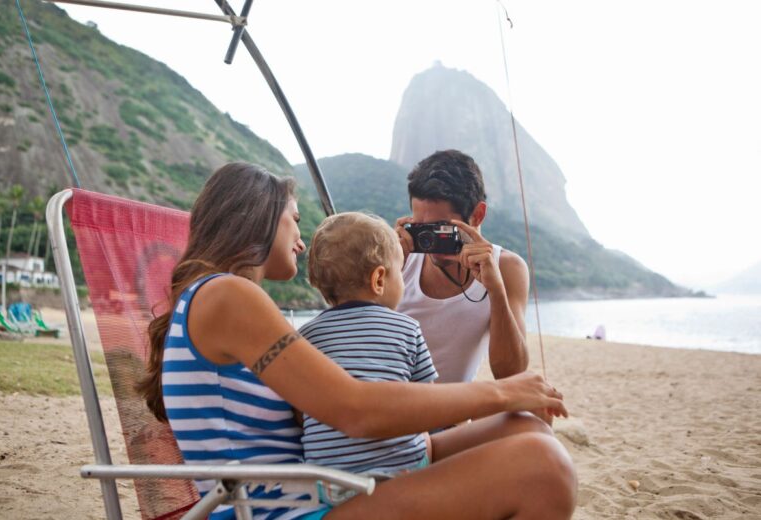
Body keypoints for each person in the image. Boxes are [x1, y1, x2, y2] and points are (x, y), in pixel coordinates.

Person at [138, 162, 577, 519]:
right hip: (286, 513)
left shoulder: (219, 299)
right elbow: (355, 409)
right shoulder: (228, 296)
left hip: (307, 492)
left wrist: (505, 405)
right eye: (294, 220)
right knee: (544, 467)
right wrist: (502, 391)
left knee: (527, 427)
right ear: (260, 220)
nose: (301, 241)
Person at [299, 212, 437, 504]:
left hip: (329, 484)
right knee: (425, 436)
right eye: (400, 272)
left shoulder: (305, 337)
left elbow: (301, 413)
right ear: (379, 279)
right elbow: (429, 402)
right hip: (399, 475)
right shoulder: (407, 327)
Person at [395, 150, 530, 384]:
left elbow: (511, 375)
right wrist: (391, 267)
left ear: (477, 214)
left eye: (442, 229)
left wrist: (496, 291)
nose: (431, 242)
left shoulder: (506, 267)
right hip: (393, 400)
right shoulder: (400, 258)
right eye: (421, 229)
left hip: (450, 411)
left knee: (532, 414)